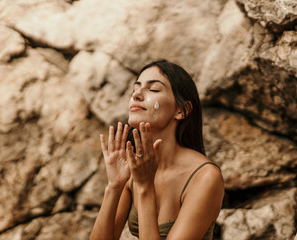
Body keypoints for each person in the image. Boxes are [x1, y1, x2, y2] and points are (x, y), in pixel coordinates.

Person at [90, 60, 224, 240]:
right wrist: (114, 186)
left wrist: (145, 187)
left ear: (182, 110)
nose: (137, 94)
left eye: (153, 90)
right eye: (136, 88)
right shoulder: (135, 165)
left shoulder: (206, 177)